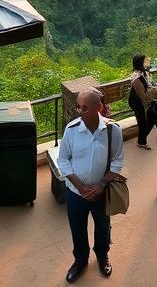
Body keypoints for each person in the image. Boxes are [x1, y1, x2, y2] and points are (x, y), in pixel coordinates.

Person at [57, 88, 124, 283]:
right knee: (77, 228)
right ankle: (80, 260)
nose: (79, 111)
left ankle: (102, 256)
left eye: (85, 107)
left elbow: (117, 160)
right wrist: (81, 187)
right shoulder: (72, 130)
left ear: (99, 108)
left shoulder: (113, 131)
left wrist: (101, 186)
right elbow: (63, 161)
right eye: (78, 106)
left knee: (103, 226)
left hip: (101, 192)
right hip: (76, 193)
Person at [128, 54, 157, 150]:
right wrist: (153, 98)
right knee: (144, 121)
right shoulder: (137, 77)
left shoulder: (143, 73)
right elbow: (142, 95)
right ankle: (141, 142)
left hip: (142, 98)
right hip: (137, 101)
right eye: (145, 61)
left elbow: (147, 87)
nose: (147, 61)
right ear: (140, 63)